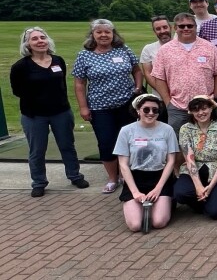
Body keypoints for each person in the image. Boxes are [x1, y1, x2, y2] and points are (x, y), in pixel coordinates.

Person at [10, 27, 88, 197]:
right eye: (35, 39)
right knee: (37, 150)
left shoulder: (58, 61)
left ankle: (75, 175)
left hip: (61, 112)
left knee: (67, 145)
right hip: (34, 115)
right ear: (27, 44)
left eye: (42, 37)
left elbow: (61, 84)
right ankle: (39, 182)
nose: (40, 41)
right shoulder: (20, 67)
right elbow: (17, 90)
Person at [73, 19, 142, 194]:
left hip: (127, 105)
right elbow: (80, 83)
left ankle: (127, 175)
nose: (103, 35)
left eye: (107, 32)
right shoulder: (84, 55)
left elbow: (137, 70)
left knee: (130, 141)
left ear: (113, 34)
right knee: (106, 142)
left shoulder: (123, 50)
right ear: (93, 35)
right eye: (99, 32)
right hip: (100, 107)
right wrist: (83, 107)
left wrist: (137, 88)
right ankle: (113, 178)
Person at [151, 13, 217, 134]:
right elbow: (159, 78)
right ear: (175, 28)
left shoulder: (209, 48)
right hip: (177, 107)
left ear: (196, 27)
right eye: (182, 26)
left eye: (190, 26)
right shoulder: (165, 50)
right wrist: (168, 102)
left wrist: (214, 98)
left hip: (205, 106)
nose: (186, 29)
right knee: (178, 144)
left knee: (208, 140)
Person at [115, 94, 179, 232]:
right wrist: (135, 192)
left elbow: (171, 161)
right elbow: (123, 164)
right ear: (138, 110)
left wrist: (158, 188)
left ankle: (167, 201)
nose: (151, 113)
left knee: (159, 222)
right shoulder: (126, 131)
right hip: (135, 178)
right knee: (135, 225)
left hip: (160, 176)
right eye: (146, 110)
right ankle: (138, 204)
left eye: (155, 110)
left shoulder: (167, 130)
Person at [173, 96, 217, 219]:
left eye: (204, 108)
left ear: (211, 108)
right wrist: (198, 186)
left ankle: (214, 198)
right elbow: (189, 158)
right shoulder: (185, 129)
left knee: (216, 212)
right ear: (191, 112)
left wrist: (210, 187)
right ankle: (203, 199)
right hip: (195, 168)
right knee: (180, 193)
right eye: (196, 110)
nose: (201, 113)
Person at [140, 15, 173, 97]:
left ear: (171, 27)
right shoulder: (148, 49)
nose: (162, 31)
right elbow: (148, 74)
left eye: (165, 27)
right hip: (159, 97)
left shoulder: (182, 46)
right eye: (158, 29)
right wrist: (164, 92)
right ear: (154, 31)